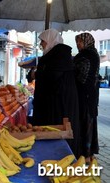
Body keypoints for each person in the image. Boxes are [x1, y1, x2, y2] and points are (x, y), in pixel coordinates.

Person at [32, 29, 80, 157]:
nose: (41, 44)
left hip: (60, 102)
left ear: (50, 40)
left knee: (58, 130)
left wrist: (37, 73)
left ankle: (61, 157)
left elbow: (52, 76)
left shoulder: (60, 54)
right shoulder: (55, 53)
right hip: (55, 100)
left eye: (43, 41)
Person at [73, 32, 100, 162]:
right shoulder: (93, 54)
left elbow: (82, 76)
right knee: (89, 123)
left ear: (87, 41)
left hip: (86, 95)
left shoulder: (87, 55)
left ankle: (86, 155)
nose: (78, 44)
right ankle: (89, 154)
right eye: (77, 42)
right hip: (91, 95)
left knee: (86, 123)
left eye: (80, 42)